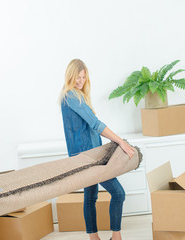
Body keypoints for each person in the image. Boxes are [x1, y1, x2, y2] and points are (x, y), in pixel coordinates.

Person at [60, 59, 135, 240]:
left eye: (84, 77)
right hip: (87, 157)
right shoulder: (70, 96)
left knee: (91, 197)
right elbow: (95, 125)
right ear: (70, 76)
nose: (81, 81)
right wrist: (121, 142)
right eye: (77, 77)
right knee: (118, 192)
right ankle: (115, 236)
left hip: (92, 154)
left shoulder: (77, 96)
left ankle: (95, 237)